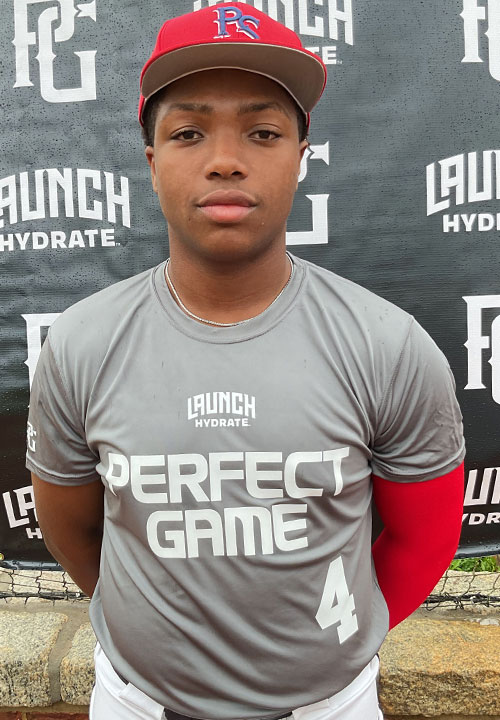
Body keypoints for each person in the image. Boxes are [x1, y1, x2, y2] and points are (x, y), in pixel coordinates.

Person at [26, 4, 465, 720]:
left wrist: (328, 648)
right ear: (152, 162)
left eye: (262, 132)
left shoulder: (387, 343)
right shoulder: (82, 341)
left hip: (331, 706)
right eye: (188, 133)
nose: (225, 160)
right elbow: (73, 532)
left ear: (301, 155)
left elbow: (425, 538)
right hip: (135, 702)